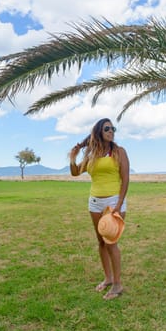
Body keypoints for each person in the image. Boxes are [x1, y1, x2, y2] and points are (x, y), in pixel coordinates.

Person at [69, 118, 129, 300]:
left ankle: (118, 285)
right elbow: (75, 172)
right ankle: (108, 279)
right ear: (98, 132)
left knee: (111, 243)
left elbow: (125, 179)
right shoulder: (92, 155)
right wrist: (73, 156)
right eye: (107, 128)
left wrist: (118, 206)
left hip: (113, 202)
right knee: (101, 242)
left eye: (113, 128)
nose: (111, 131)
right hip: (94, 203)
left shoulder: (119, 152)